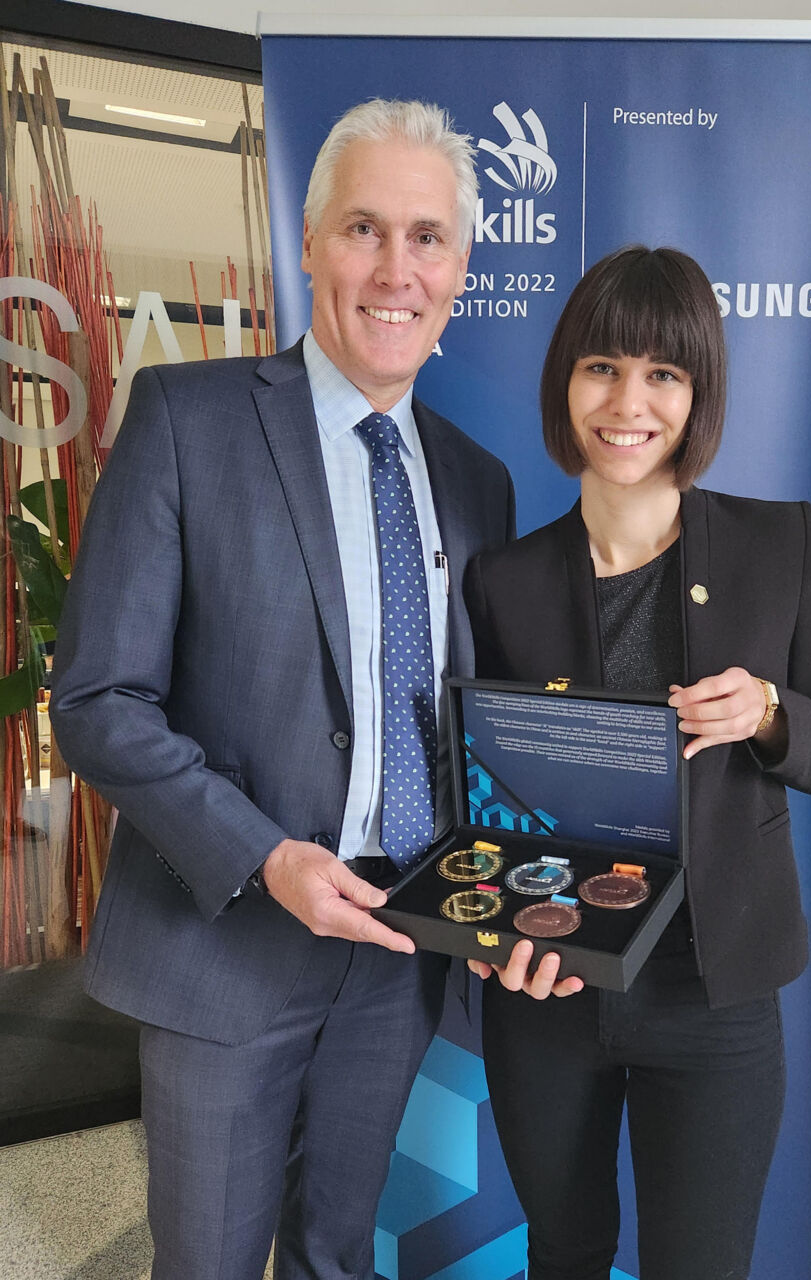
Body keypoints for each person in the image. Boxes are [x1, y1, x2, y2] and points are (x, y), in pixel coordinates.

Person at [51, 99, 514, 1280]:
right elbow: (100, 696)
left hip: (398, 946)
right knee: (205, 1262)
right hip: (227, 943)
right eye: (363, 228)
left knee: (336, 1253)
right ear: (309, 245)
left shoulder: (476, 480)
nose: (395, 270)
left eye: (428, 237)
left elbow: (476, 718)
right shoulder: (187, 420)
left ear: (460, 268)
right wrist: (266, 856)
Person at [464, 245, 811, 1280]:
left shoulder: (781, 544)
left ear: (698, 394)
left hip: (717, 995)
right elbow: (482, 798)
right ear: (566, 380)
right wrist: (481, 928)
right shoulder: (504, 579)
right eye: (602, 366)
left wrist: (774, 710)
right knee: (563, 1252)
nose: (628, 402)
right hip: (551, 989)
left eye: (665, 373)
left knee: (701, 1263)